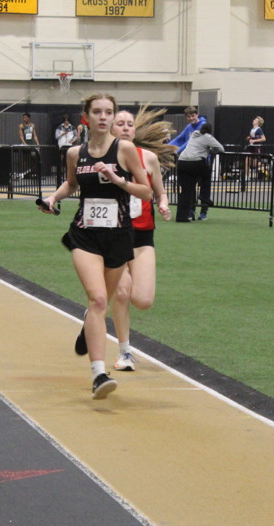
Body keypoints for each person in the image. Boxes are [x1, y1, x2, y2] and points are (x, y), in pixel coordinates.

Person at [37, 93, 151, 399]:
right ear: (86, 117)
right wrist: (53, 197)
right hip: (85, 234)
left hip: (118, 235)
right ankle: (99, 374)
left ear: (113, 116)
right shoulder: (75, 153)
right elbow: (72, 184)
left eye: (108, 112)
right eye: (97, 112)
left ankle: (90, 325)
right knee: (98, 300)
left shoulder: (124, 149)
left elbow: (146, 192)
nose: (103, 117)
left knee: (100, 305)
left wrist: (118, 179)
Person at [108, 106, 175, 372]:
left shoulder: (148, 158)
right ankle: (124, 352)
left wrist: (163, 204)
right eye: (120, 123)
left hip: (142, 237)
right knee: (122, 292)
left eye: (130, 124)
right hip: (112, 236)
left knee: (143, 300)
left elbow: (160, 192)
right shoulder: (101, 158)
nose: (126, 127)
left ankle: (97, 305)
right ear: (110, 128)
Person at [175, 123, 225, 222]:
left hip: (181, 162)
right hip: (195, 162)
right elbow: (221, 149)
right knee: (207, 174)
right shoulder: (208, 137)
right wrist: (211, 151)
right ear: (210, 131)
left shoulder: (194, 135)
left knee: (186, 191)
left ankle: (182, 217)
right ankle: (204, 196)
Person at [18, 112, 40, 178]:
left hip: (31, 144)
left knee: (34, 157)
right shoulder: (21, 126)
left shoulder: (32, 125)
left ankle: (33, 172)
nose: (24, 119)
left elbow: (34, 135)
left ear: (29, 118)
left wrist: (37, 143)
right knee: (25, 159)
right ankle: (25, 173)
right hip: (25, 144)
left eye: (25, 117)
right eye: (23, 118)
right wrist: (25, 144)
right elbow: (21, 136)